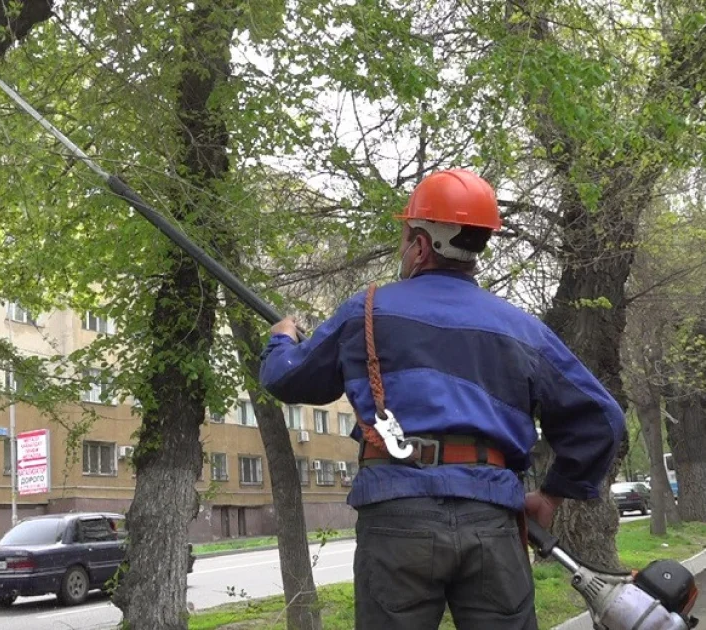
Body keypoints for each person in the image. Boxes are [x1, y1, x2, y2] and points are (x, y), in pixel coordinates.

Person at [258, 169, 626, 630]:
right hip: (491, 518)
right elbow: (602, 419)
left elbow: (289, 381)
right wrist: (552, 495)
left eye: (404, 236)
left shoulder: (367, 310)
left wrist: (282, 339)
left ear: (420, 243)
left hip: (396, 517)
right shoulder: (520, 327)